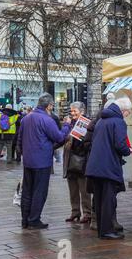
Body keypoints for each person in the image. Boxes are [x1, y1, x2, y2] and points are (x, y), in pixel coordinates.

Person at [17, 93, 71, 229]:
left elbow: (19, 139)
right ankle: (34, 219)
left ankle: (25, 219)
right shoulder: (46, 120)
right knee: (39, 191)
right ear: (49, 106)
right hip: (41, 161)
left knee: (27, 190)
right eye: (52, 106)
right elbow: (59, 137)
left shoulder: (26, 118)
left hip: (28, 160)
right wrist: (66, 125)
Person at [85, 97, 132, 240]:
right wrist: (128, 150)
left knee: (99, 199)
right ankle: (107, 231)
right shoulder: (119, 122)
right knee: (108, 200)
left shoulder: (101, 120)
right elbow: (120, 144)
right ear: (123, 111)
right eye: (129, 112)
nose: (128, 115)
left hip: (95, 166)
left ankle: (102, 229)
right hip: (108, 167)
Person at [63, 102, 92, 224]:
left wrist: (75, 141)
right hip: (70, 161)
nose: (73, 113)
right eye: (72, 111)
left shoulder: (86, 124)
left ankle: (87, 213)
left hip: (81, 160)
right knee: (73, 189)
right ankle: (75, 211)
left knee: (83, 189)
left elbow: (86, 143)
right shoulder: (71, 124)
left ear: (82, 111)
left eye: (75, 111)